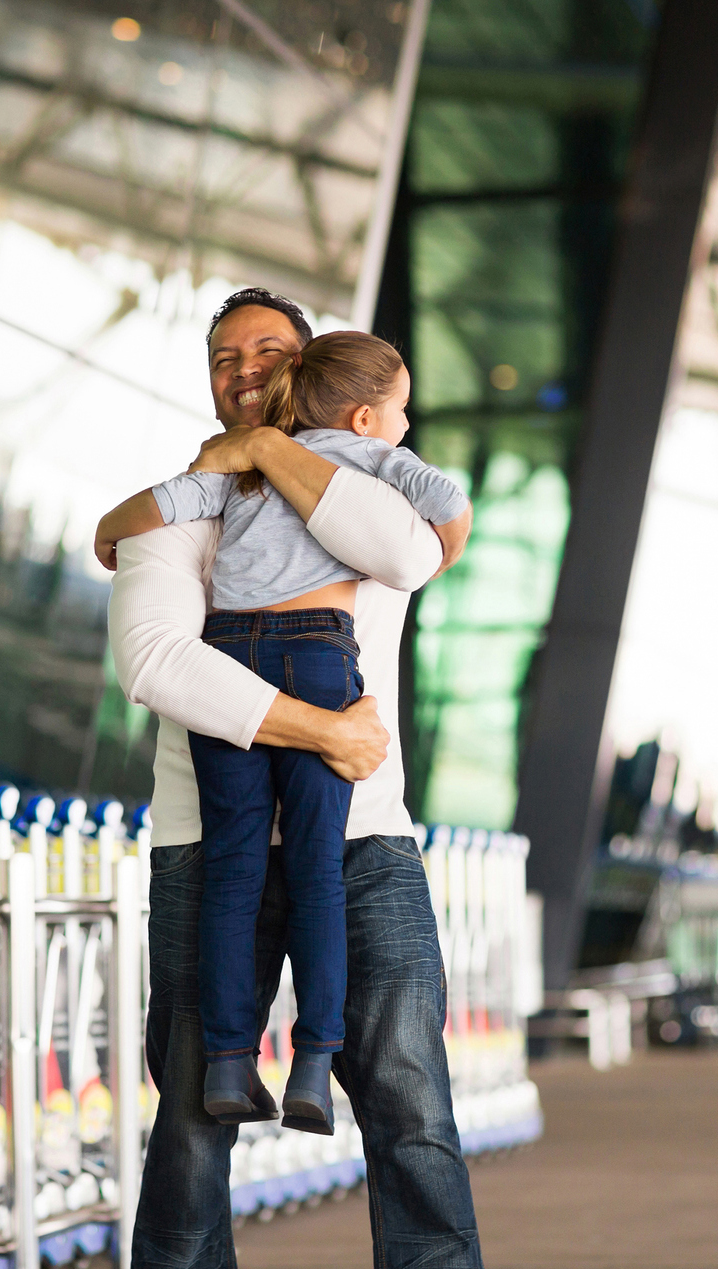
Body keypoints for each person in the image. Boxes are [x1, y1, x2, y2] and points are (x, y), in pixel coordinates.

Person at [109, 288, 500, 1269]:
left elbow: (411, 555)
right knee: (191, 1117)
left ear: (312, 365)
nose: (243, 367)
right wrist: (324, 727)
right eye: (225, 355)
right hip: (209, 841)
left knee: (413, 1109)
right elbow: (157, 663)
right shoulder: (190, 504)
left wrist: (276, 450)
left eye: (269, 351)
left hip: (366, 842)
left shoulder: (365, 483)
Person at [95, 332, 470, 1135]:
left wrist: (111, 528)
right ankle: (311, 1061)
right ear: (366, 413)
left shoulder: (229, 474)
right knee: (317, 876)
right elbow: (443, 519)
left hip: (230, 645)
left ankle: (231, 1061)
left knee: (234, 874)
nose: (403, 424)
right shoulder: (368, 461)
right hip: (316, 657)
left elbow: (137, 518)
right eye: (399, 411)